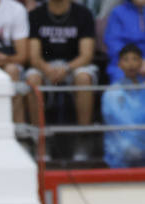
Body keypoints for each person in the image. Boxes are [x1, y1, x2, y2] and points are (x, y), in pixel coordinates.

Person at [26, 0, 97, 145]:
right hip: (44, 65)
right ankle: (38, 138)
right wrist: (47, 69)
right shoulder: (35, 15)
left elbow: (86, 55)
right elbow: (34, 57)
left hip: (74, 64)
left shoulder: (83, 14)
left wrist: (66, 68)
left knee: (83, 78)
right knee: (32, 79)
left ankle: (83, 136)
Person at [102, 0, 145, 83]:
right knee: (119, 77)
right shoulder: (118, 12)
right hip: (126, 59)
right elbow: (113, 42)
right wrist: (135, 61)